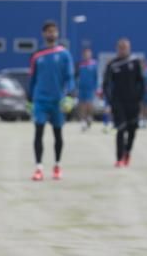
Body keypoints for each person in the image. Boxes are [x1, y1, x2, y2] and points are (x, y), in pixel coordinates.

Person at [28, 20, 73, 181]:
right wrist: (29, 99)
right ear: (43, 34)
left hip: (57, 101)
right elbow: (32, 79)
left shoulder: (64, 54)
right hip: (40, 100)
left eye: (54, 31)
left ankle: (57, 166)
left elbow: (69, 78)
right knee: (38, 132)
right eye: (48, 31)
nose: (51, 34)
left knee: (58, 134)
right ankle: (39, 168)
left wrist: (69, 96)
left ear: (57, 33)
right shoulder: (36, 55)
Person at [103, 38, 145, 168]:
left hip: (133, 103)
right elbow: (106, 84)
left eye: (125, 47)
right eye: (121, 47)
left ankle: (128, 151)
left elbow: (141, 82)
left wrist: (139, 98)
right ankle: (119, 158)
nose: (123, 50)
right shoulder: (112, 65)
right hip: (118, 102)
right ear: (117, 48)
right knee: (120, 129)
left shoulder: (136, 62)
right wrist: (110, 101)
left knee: (132, 130)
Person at [75, 47, 99, 131]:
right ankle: (83, 121)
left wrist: (97, 88)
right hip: (81, 88)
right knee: (82, 105)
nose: (86, 55)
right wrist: (76, 87)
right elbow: (76, 76)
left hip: (90, 88)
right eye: (85, 54)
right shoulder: (80, 65)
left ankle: (89, 117)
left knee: (89, 104)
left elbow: (96, 77)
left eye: (88, 54)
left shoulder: (94, 64)